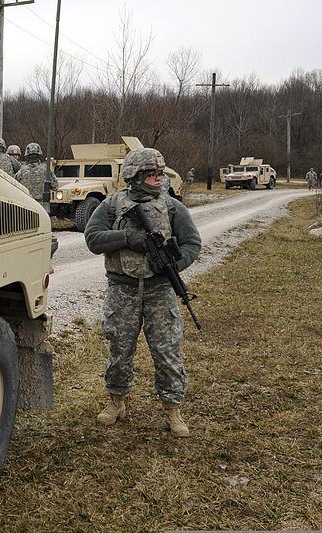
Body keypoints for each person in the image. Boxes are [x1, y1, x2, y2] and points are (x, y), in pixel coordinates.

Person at [84, 148, 201, 437]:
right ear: (135, 177)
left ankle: (173, 409)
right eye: (152, 175)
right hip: (122, 290)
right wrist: (127, 237)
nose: (158, 179)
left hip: (159, 290)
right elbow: (93, 238)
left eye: (161, 174)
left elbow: (192, 244)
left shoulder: (173, 207)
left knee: (167, 351)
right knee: (120, 350)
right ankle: (117, 403)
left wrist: (174, 264)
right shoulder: (112, 205)